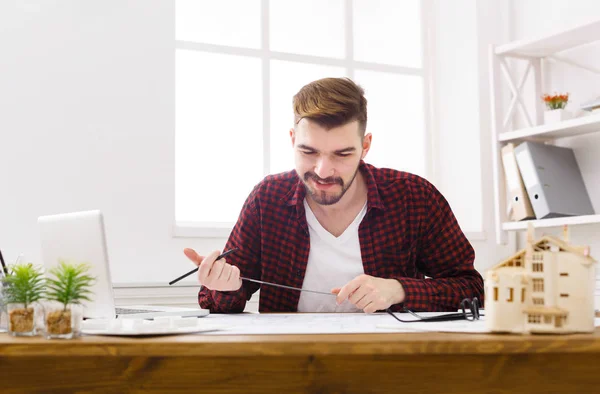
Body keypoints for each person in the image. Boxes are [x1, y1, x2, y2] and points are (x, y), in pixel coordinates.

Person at [184, 77, 483, 313]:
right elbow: (222, 300)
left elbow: (472, 289)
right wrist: (222, 286)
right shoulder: (267, 199)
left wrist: (398, 290)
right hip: (290, 366)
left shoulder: (414, 197)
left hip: (390, 363)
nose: (323, 170)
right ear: (292, 139)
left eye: (342, 154)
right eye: (308, 151)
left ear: (365, 146)